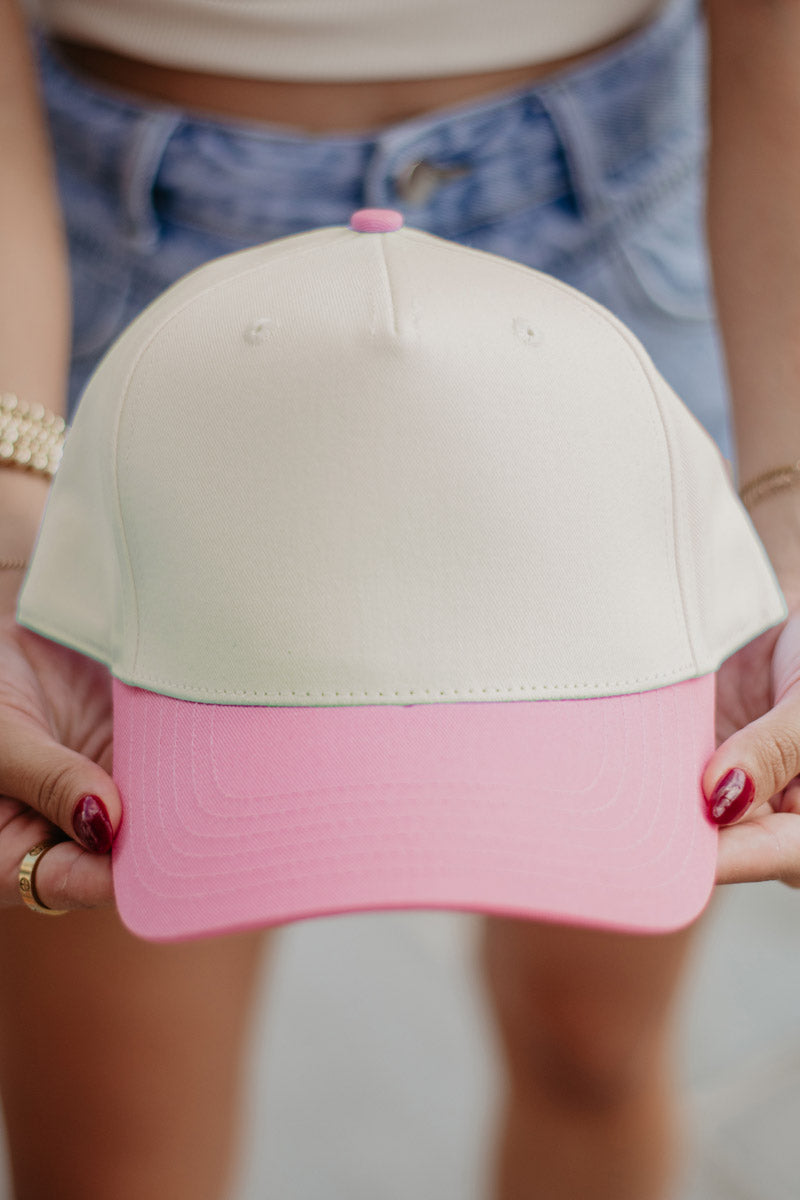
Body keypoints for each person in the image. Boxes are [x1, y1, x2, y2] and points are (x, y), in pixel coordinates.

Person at [2, 0, 800, 1197]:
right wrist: (14, 526)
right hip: (108, 266)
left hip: (597, 269)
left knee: (593, 1044)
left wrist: (790, 504)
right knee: (117, 1156)